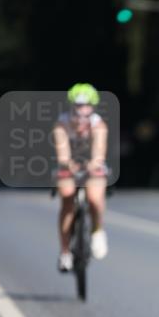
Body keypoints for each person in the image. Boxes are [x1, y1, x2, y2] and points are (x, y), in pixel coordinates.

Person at [53, 84, 109, 271]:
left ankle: (97, 230)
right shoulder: (62, 124)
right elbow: (62, 154)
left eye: (86, 106)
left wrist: (94, 164)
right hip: (69, 164)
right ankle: (65, 252)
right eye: (78, 106)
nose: (82, 111)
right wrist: (68, 164)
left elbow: (99, 152)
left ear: (92, 108)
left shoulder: (98, 125)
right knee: (68, 199)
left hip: (91, 164)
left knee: (94, 197)